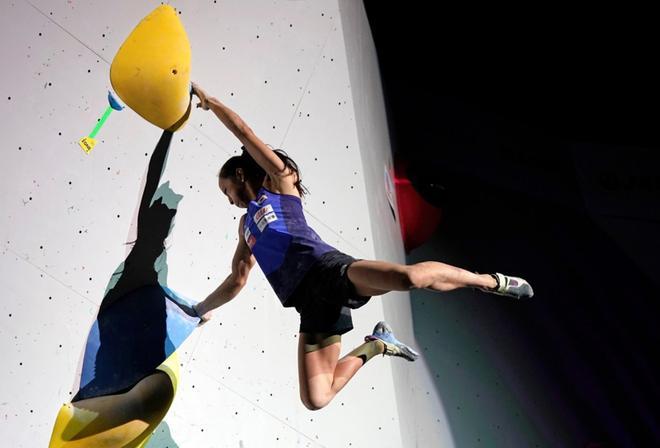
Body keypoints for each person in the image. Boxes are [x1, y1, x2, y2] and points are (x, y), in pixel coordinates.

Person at [191, 83, 533, 411]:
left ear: (239, 174)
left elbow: (244, 134)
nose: (229, 200)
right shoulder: (244, 228)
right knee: (316, 398)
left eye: (226, 191)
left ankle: (490, 281)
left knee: (408, 279)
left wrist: (213, 104)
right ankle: (377, 345)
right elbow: (237, 279)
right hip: (308, 304)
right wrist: (200, 308)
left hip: (327, 269)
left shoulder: (279, 183)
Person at [49, 131, 199, 447]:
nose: (163, 225)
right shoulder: (138, 263)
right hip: (113, 375)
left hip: (123, 380)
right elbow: (149, 187)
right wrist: (167, 132)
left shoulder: (151, 269)